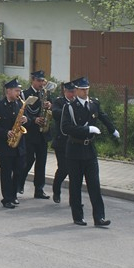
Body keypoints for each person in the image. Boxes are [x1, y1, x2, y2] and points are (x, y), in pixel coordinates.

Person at [60, 77, 119, 227]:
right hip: (74, 149)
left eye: (87, 89)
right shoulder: (70, 107)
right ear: (76, 90)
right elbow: (65, 128)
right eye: (82, 89)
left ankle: (99, 218)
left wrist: (112, 130)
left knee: (94, 185)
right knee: (75, 185)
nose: (85, 92)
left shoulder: (94, 104)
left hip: (89, 149)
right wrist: (87, 129)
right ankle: (78, 216)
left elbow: (103, 116)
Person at [0, 78, 28, 209]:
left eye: (19, 90)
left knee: (19, 171)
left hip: (19, 145)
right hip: (4, 145)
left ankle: (14, 195)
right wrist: (5, 132)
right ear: (8, 91)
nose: (19, 93)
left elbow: (26, 119)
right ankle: (7, 199)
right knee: (6, 173)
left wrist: (26, 119)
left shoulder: (20, 104)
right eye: (17, 90)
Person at [20, 70, 51, 199]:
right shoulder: (25, 94)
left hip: (42, 134)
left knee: (41, 162)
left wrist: (49, 105)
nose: (41, 83)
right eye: (38, 81)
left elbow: (51, 109)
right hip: (30, 133)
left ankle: (39, 189)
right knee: (28, 160)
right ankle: (19, 183)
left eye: (42, 81)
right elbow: (22, 112)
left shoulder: (45, 94)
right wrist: (34, 120)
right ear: (32, 80)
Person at [51, 82, 76, 204]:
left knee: (74, 172)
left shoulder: (77, 103)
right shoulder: (59, 102)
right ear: (65, 91)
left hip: (74, 142)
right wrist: (69, 110)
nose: (73, 94)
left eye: (74, 92)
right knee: (63, 169)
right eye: (70, 92)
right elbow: (55, 113)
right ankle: (56, 191)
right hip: (61, 142)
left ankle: (74, 199)